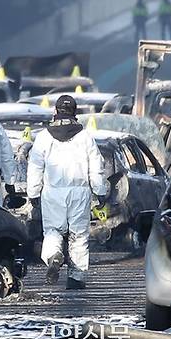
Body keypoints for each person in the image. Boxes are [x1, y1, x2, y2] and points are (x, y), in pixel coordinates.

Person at [27, 95, 106, 290]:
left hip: (52, 192)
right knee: (78, 236)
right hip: (79, 192)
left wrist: (33, 193)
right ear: (75, 112)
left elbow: (35, 166)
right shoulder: (85, 136)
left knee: (53, 231)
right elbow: (96, 166)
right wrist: (100, 191)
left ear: (55, 111)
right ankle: (76, 278)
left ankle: (54, 256)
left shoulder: (44, 137)